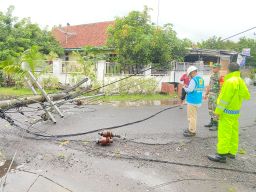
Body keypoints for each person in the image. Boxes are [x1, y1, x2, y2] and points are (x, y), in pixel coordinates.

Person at [208, 63, 250, 163]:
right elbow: (247, 95)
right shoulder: (240, 81)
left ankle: (221, 155)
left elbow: (224, 100)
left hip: (226, 112)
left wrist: (218, 112)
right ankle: (231, 152)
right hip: (235, 112)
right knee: (233, 133)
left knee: (224, 133)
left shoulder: (230, 81)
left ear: (229, 70)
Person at [183, 66, 205, 137]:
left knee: (191, 117)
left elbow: (190, 90)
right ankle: (191, 128)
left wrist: (185, 87)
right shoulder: (201, 79)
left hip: (192, 101)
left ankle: (192, 131)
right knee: (194, 116)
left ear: (192, 73)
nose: (189, 76)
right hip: (198, 100)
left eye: (189, 74)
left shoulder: (194, 80)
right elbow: (199, 89)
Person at [204, 63, 221, 131]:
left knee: (215, 109)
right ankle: (211, 121)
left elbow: (221, 87)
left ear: (218, 68)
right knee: (210, 108)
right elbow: (209, 85)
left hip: (216, 94)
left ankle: (215, 124)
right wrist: (206, 93)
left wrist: (220, 96)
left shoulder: (220, 76)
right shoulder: (212, 75)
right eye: (213, 68)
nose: (213, 69)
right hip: (211, 94)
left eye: (214, 68)